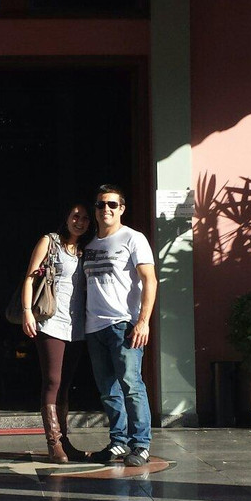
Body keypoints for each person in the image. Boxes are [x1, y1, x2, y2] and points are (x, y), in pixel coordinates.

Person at [83, 185, 158, 467]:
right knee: (108, 389)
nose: (106, 209)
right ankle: (118, 442)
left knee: (131, 385)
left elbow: (150, 280)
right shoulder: (90, 245)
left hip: (124, 325)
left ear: (121, 208)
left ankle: (141, 444)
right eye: (101, 204)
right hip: (94, 327)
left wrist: (143, 321)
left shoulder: (133, 238)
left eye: (112, 204)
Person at [21, 202, 94, 463]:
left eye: (85, 218)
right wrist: (27, 312)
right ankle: (53, 443)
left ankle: (65, 442)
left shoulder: (87, 249)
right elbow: (30, 278)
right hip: (51, 321)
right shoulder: (50, 241)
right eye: (76, 216)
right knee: (52, 380)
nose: (80, 222)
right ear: (66, 217)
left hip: (77, 326)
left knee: (65, 383)